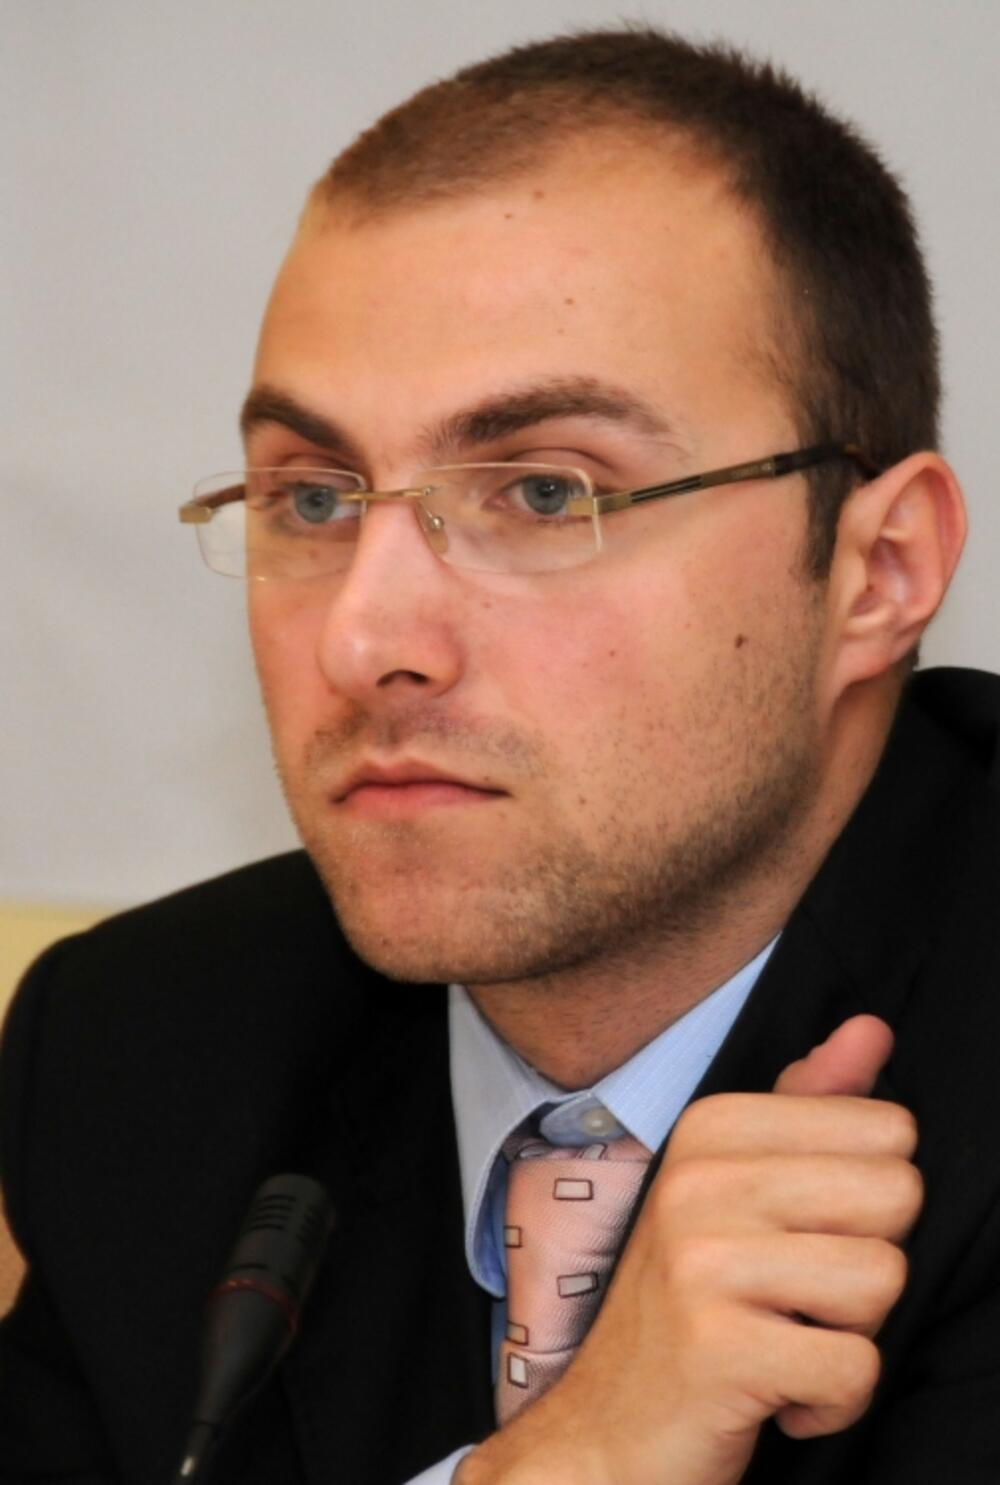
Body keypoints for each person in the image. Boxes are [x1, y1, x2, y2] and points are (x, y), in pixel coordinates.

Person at [2, 24, 998, 1485]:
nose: (366, 638)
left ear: (878, 571)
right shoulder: (144, 1053)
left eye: (544, 490)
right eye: (314, 498)